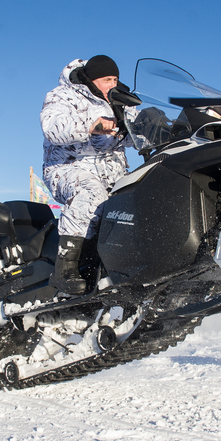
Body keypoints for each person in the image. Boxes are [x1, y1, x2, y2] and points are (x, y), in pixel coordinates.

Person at [40, 55, 136, 295]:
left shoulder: (121, 100)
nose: (112, 84)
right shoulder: (63, 95)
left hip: (112, 175)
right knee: (90, 192)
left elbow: (140, 130)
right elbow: (53, 127)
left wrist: (161, 124)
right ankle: (64, 269)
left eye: (115, 78)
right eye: (106, 79)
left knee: (138, 194)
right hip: (67, 169)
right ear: (92, 80)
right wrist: (92, 124)